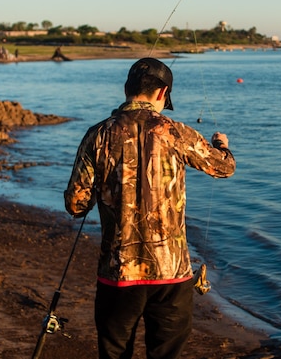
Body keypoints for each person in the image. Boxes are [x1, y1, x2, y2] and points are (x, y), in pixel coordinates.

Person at [64, 57, 236, 359]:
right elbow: (224, 169)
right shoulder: (177, 132)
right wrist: (221, 145)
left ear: (126, 89)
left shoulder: (97, 134)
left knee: (114, 353)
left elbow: (76, 205)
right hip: (171, 275)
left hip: (117, 274)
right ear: (162, 93)